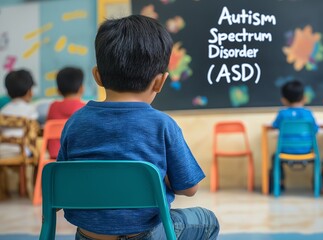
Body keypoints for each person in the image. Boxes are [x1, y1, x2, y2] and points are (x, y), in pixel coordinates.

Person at [57, 15, 219, 240]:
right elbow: (189, 189)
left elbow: (61, 186)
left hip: (87, 236)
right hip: (145, 234)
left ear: (98, 76)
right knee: (207, 220)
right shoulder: (162, 125)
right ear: (160, 82)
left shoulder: (75, 123)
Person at [270, 80, 319, 192]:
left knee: (274, 157)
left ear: (284, 100)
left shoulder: (282, 114)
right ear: (304, 98)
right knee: (317, 157)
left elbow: (274, 125)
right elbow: (315, 130)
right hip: (306, 151)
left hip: (285, 151)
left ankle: (280, 183)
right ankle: (317, 185)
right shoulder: (308, 114)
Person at [0, 69, 38, 194]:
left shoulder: (3, 111)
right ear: (29, 91)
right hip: (24, 150)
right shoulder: (31, 110)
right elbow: (33, 132)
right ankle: (36, 189)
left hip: (3, 150)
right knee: (39, 149)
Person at [46, 67, 85, 159]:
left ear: (58, 91)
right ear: (81, 89)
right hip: (77, 157)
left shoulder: (53, 107)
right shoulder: (84, 108)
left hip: (55, 157)